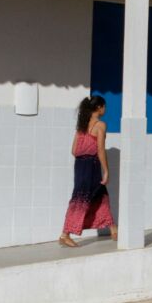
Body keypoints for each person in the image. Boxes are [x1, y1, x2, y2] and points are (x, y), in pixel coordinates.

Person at [59, 95, 116, 247]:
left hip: (80, 166)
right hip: (91, 165)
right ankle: (65, 233)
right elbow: (100, 150)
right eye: (104, 106)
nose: (105, 109)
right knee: (81, 199)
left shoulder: (82, 126)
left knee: (101, 195)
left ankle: (113, 228)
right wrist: (106, 171)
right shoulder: (100, 125)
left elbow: (73, 150)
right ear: (99, 107)